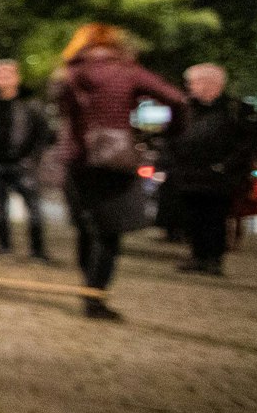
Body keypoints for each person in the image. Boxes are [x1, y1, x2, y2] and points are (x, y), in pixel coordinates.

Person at [50, 23, 183, 320]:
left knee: (87, 227)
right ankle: (95, 298)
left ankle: (88, 289)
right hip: (115, 159)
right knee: (110, 232)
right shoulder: (128, 71)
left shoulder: (68, 73)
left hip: (76, 158)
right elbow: (176, 99)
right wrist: (169, 132)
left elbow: (62, 111)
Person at [163, 63, 257, 277]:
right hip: (189, 173)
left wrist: (226, 166)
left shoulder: (235, 110)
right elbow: (171, 137)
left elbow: (247, 143)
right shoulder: (186, 108)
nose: (189, 87)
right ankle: (198, 256)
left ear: (211, 83)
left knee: (215, 218)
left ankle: (213, 258)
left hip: (220, 176)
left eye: (193, 82)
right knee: (193, 217)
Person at [0, 59, 53, 261]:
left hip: (23, 164)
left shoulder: (30, 103)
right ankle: (4, 247)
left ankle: (37, 251)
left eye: (8, 74)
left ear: (17, 77)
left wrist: (33, 158)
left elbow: (43, 134)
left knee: (34, 209)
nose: (3, 78)